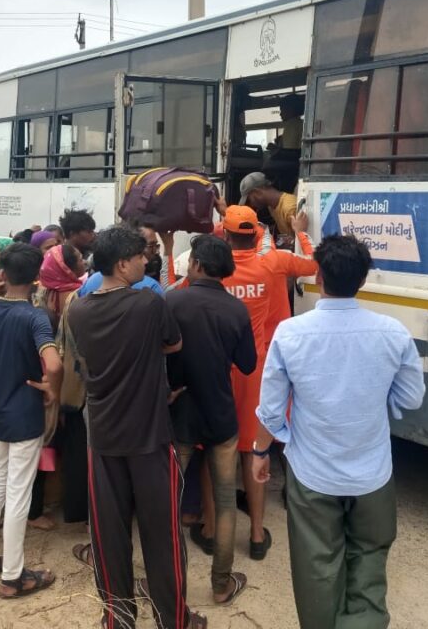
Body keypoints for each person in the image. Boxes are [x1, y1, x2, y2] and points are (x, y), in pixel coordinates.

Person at [253, 236, 425, 629]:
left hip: (313, 473)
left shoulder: (291, 333)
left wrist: (260, 452)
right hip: (372, 472)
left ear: (318, 275)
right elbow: (412, 398)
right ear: (362, 280)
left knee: (317, 566)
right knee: (369, 558)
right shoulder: (392, 333)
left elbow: (273, 409)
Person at [67, 226, 205, 629]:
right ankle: (172, 620)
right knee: (162, 537)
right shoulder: (148, 304)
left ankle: (118, 619)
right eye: (142, 256)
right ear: (123, 263)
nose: (148, 262)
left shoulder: (78, 308)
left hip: (104, 437)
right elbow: (173, 344)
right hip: (149, 436)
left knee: (109, 537)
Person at [221, 204, 318, 560]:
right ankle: (258, 534)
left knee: (220, 448)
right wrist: (300, 232)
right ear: (256, 234)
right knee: (253, 449)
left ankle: (213, 528)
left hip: (223, 369)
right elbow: (313, 263)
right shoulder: (274, 261)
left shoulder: (214, 269)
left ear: (226, 234)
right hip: (260, 370)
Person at [166, 234, 257, 607]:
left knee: (168, 501)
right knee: (223, 502)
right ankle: (221, 584)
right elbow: (249, 364)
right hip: (221, 414)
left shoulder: (171, 300)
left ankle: (170, 585)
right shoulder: (237, 310)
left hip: (179, 412)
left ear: (198, 265)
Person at [0, 243, 61, 597]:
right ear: (37, 278)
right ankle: (13, 575)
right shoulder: (35, 317)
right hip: (25, 414)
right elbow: (53, 363)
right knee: (19, 494)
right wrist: (49, 388)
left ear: (3, 274)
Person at [78, 226, 164, 297]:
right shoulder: (152, 292)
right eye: (141, 256)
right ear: (122, 265)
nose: (145, 261)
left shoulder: (90, 282)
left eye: (156, 246)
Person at [37, 242, 86, 326]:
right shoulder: (77, 295)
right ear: (67, 269)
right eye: (81, 259)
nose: (84, 262)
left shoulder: (46, 292)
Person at [238, 171, 298, 238]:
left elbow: (305, 239)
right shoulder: (271, 207)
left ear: (257, 192)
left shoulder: (290, 209)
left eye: (249, 200)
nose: (251, 204)